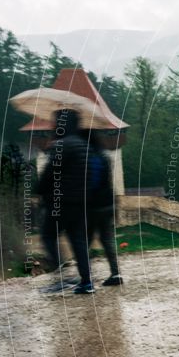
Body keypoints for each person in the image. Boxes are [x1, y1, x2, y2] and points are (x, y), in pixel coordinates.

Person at [38, 109, 95, 294]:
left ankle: (61, 275)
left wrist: (38, 189)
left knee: (48, 236)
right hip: (80, 202)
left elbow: (49, 173)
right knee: (78, 241)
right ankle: (86, 283)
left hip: (60, 202)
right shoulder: (84, 146)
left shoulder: (62, 145)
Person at [87, 136, 123, 286]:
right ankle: (116, 273)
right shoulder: (105, 157)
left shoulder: (88, 159)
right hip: (108, 202)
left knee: (84, 241)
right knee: (107, 240)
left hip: (93, 205)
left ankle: (86, 277)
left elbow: (90, 184)